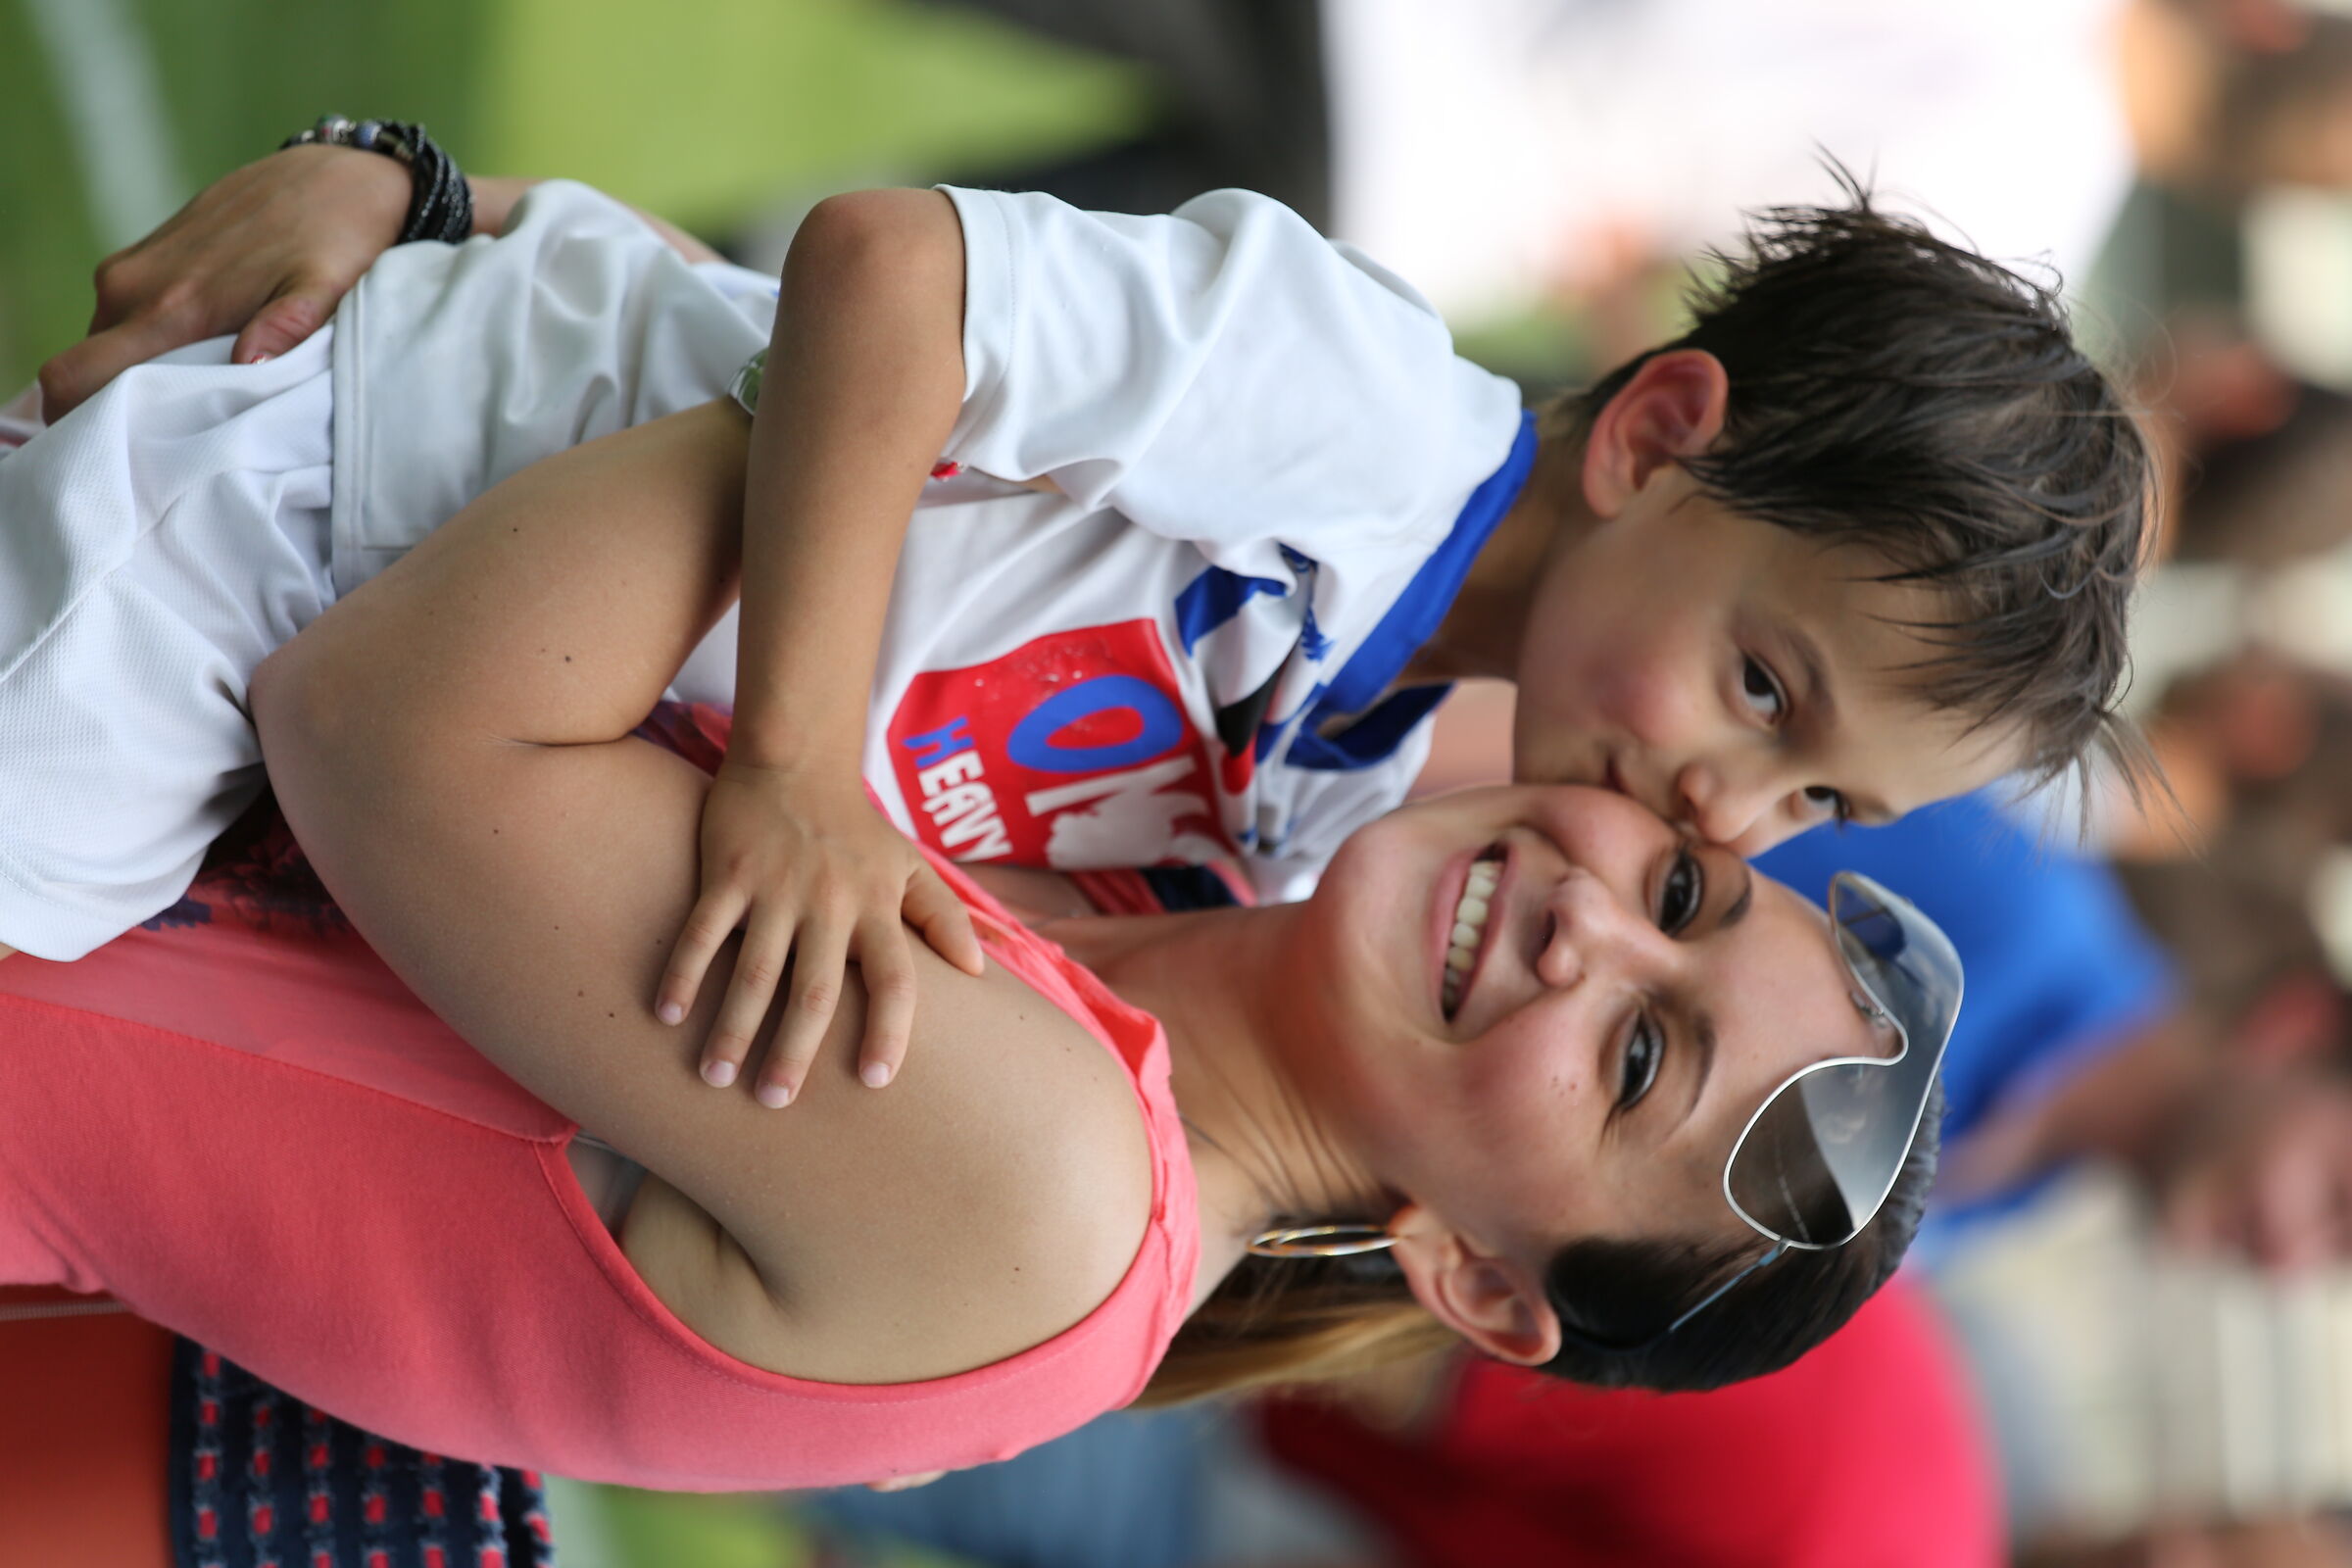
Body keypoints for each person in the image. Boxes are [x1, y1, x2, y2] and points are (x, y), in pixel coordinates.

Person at [0, 387, 1961, 1489]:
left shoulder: (1056, 1192)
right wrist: (421, 214)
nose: (1588, 922)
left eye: (1637, 1055)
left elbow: (383, 715)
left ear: (1476, 1282)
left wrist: (961, 390)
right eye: (1688, 894)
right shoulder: (1136, 872)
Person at [6, 139, 2139, 1106]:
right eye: (1767, 686)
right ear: (1658, 432)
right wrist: (789, 778)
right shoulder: (1359, 405)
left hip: (364, 673)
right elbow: (879, 274)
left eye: (1817, 794)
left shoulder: (1346, 797)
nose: (1724, 792)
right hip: (333, 485)